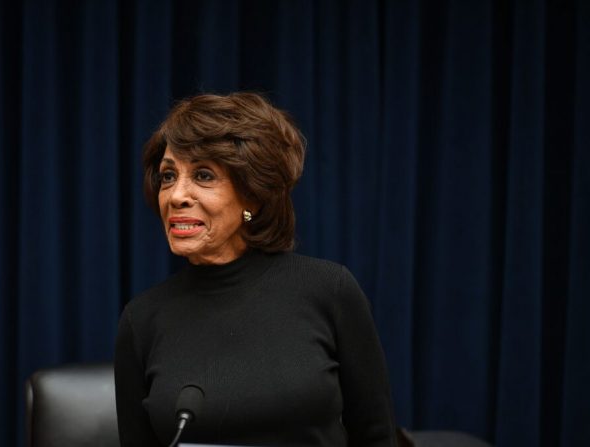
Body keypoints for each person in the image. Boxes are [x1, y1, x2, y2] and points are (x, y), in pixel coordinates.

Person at [115, 92, 397, 447]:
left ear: (253, 194)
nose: (175, 196)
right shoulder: (141, 321)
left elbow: (376, 436)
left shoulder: (329, 291)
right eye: (168, 176)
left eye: (203, 175)